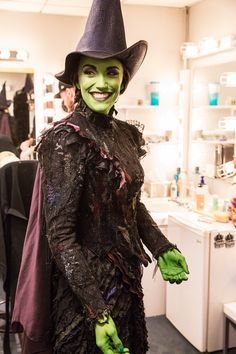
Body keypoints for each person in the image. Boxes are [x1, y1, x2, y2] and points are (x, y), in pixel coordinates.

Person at [12, 1, 189, 353]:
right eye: (91, 71)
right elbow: (61, 237)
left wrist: (160, 245)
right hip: (84, 292)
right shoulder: (66, 138)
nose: (101, 82)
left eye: (111, 72)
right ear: (77, 79)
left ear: (123, 80)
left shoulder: (125, 134)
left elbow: (130, 205)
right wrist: (98, 312)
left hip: (126, 281)